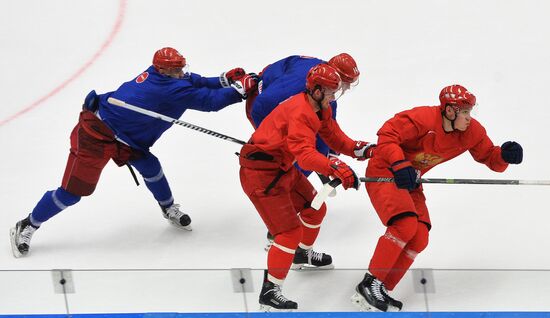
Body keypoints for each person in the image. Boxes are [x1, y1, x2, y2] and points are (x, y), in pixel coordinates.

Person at [9, 47, 257, 258]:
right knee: (72, 193)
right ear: (162, 70)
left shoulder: (161, 74)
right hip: (95, 136)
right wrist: (238, 91)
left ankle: (168, 208)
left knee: (151, 168)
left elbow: (194, 80)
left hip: (127, 138)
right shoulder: (169, 90)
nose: (181, 73)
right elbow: (209, 102)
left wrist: (223, 79)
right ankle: (28, 224)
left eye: (181, 67)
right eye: (175, 70)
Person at [351, 84, 524, 312]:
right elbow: (387, 134)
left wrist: (503, 155)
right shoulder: (423, 118)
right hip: (386, 171)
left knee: (419, 236)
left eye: (470, 111)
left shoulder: (472, 132)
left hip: (411, 178)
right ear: (449, 111)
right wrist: (399, 163)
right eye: (464, 112)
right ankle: (369, 285)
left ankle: (381, 287)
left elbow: (488, 156)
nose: (469, 118)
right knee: (404, 225)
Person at [239, 64, 375, 310]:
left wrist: (359, 149)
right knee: (288, 233)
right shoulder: (301, 112)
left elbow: (333, 137)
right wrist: (335, 167)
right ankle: (270, 291)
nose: (335, 97)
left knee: (315, 210)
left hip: (281, 168)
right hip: (261, 175)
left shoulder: (318, 107)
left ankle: (301, 255)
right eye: (332, 92)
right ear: (316, 90)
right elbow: (305, 156)